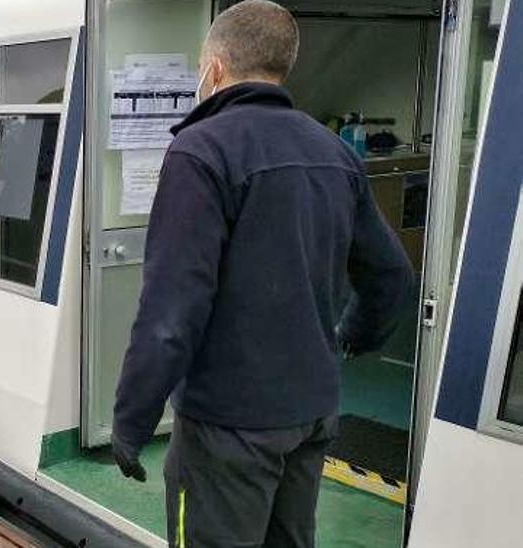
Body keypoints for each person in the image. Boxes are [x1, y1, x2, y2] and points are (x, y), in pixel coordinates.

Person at [110, 2, 414, 547]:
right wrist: (350, 337)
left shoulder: (200, 151)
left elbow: (171, 312)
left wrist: (132, 420)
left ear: (217, 69)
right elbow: (391, 275)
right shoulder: (334, 152)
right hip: (312, 414)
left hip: (228, 426)